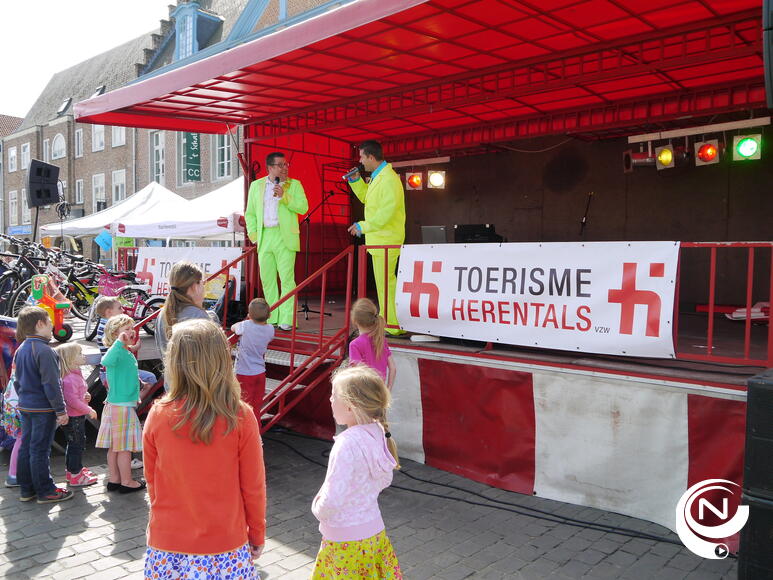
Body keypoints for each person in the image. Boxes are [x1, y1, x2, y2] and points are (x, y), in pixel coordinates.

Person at [143, 319, 266, 578]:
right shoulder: (240, 416)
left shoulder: (158, 414)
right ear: (222, 359)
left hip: (168, 541)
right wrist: (256, 532)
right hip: (225, 544)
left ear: (174, 362)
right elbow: (253, 486)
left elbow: (152, 480)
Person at [311, 365, 402, 579]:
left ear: (350, 406)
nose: (330, 399)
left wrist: (317, 508)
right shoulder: (378, 432)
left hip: (344, 541)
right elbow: (384, 479)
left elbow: (332, 499)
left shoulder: (346, 443)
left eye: (334, 395)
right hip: (374, 533)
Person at [347, 140, 406, 336]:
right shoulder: (378, 177)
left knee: (386, 284)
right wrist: (356, 181)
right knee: (384, 284)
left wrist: (363, 226)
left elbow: (386, 214)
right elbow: (368, 199)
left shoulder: (389, 179)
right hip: (380, 239)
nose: (360, 161)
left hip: (386, 240)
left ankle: (393, 324)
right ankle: (389, 321)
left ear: (371, 157)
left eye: (362, 157)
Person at [14, 306, 73, 504]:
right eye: (49, 323)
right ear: (40, 324)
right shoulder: (45, 351)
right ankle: (46, 491)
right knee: (39, 450)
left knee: (27, 447)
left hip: (26, 406)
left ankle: (27, 489)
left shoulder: (21, 349)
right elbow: (52, 384)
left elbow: (17, 381)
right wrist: (61, 410)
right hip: (43, 408)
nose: (52, 327)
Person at [245, 152, 309, 331]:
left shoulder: (294, 185)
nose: (285, 168)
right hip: (264, 235)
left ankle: (287, 318)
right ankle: (272, 316)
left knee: (287, 279)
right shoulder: (256, 186)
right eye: (280, 165)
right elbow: (250, 213)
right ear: (270, 168)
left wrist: (285, 196)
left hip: (284, 236)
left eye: (286, 164)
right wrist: (254, 235)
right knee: (267, 279)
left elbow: (303, 207)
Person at [96, 314, 145, 494]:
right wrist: (119, 343)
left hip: (117, 404)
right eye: (126, 329)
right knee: (124, 448)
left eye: (132, 328)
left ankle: (114, 479)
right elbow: (106, 361)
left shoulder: (124, 352)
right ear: (115, 334)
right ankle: (127, 481)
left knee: (115, 447)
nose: (131, 332)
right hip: (121, 406)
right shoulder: (116, 350)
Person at [54, 343, 98, 487]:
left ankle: (72, 470)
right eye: (79, 353)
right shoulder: (70, 379)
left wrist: (86, 395)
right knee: (76, 445)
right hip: (74, 418)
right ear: (70, 359)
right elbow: (72, 401)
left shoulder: (75, 375)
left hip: (76, 417)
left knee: (74, 444)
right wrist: (88, 409)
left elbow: (79, 393)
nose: (83, 356)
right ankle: (75, 474)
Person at [95, 296, 158, 389]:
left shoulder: (103, 325)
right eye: (119, 308)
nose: (123, 310)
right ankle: (138, 398)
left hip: (108, 372)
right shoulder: (110, 328)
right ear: (109, 312)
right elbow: (117, 350)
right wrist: (134, 347)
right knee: (150, 378)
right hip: (115, 372)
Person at [231, 298, 274, 422]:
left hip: (243, 372)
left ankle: (244, 430)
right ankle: (256, 429)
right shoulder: (270, 329)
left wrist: (239, 324)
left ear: (249, 315)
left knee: (243, 407)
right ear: (269, 316)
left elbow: (234, 328)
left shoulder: (245, 325)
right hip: (260, 372)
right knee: (256, 406)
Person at [155, 262, 211, 357]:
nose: (204, 288)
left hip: (170, 367)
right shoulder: (199, 316)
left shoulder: (163, 313)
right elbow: (209, 357)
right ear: (194, 286)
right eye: (202, 283)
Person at [349, 298, 395, 390]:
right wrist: (388, 390)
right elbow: (393, 368)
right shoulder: (381, 340)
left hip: (364, 392)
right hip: (380, 390)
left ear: (355, 321)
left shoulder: (355, 344)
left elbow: (357, 372)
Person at [3, 360, 21, 488]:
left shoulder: (19, 353)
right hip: (19, 406)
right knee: (22, 440)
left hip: (13, 404)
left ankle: (14, 474)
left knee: (21, 440)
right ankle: (14, 475)